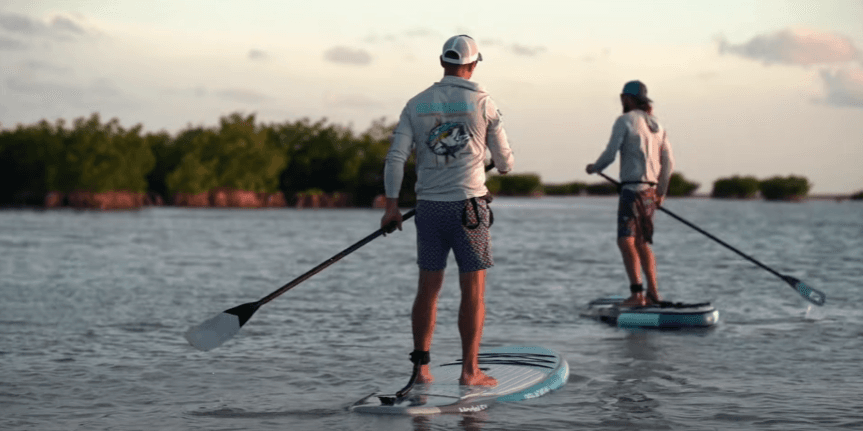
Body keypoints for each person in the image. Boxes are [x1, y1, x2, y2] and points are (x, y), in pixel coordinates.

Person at [381, 35, 515, 386]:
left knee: (428, 289)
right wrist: (500, 163)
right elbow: (504, 163)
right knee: (473, 292)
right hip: (468, 209)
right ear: (472, 66)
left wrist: (392, 206)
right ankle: (469, 372)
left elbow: (396, 157)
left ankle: (420, 369)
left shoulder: (417, 103)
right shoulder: (483, 102)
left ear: (443, 63)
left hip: (428, 210)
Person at [586, 80, 675, 307]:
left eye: (622, 97)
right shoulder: (658, 126)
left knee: (626, 240)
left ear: (628, 99)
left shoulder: (624, 121)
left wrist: (595, 168)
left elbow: (610, 153)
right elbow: (669, 163)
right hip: (649, 192)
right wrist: (661, 193)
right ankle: (653, 293)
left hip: (631, 190)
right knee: (642, 242)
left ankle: (637, 295)